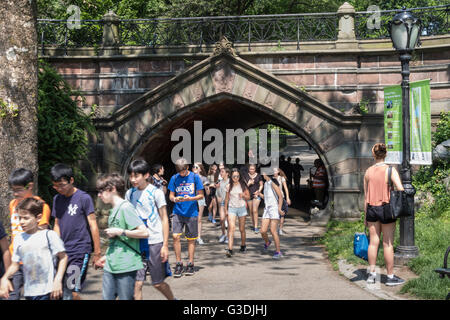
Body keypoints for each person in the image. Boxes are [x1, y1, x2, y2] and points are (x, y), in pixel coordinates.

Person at [50, 163, 102, 300]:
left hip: (80, 250)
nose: (59, 189)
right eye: (55, 186)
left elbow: (93, 225)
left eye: (62, 185)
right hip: (62, 252)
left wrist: (97, 253)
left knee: (71, 287)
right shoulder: (57, 199)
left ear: (71, 180)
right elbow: (57, 224)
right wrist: (55, 247)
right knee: (61, 290)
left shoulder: (83, 198)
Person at [95, 173, 150, 300]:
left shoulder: (126, 207)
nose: (99, 195)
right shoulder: (113, 209)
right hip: (111, 264)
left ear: (112, 189)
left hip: (126, 264)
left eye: (101, 191)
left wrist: (121, 231)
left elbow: (144, 232)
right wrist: (106, 256)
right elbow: (116, 241)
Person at [126, 160, 176, 300]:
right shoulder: (129, 194)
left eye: (136, 176)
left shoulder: (156, 193)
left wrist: (165, 245)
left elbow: (164, 218)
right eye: (131, 176)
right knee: (137, 283)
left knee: (158, 283)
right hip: (137, 243)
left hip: (155, 242)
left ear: (146, 175)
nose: (133, 180)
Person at [0, 198, 68, 300]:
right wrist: (5, 278)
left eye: (26, 218)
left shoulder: (49, 236)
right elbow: (15, 264)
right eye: (19, 218)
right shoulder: (19, 239)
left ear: (38, 218)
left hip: (49, 291)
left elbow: (63, 258)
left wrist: (58, 280)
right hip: (30, 292)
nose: (21, 222)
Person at [364, 143, 405, 286]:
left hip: (371, 209)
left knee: (373, 243)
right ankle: (390, 277)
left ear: (373, 154)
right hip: (386, 208)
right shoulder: (390, 170)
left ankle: (372, 275)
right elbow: (400, 189)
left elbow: (366, 196)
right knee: (388, 244)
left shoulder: (368, 171)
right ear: (386, 154)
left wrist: (365, 217)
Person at [7, 168, 51, 300]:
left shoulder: (41, 206)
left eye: (18, 190)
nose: (15, 194)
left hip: (34, 261)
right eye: (13, 190)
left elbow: (41, 234)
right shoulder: (12, 205)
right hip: (15, 260)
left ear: (30, 186)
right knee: (11, 296)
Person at [168, 158, 204, 278]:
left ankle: (190, 263)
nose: (181, 174)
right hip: (177, 211)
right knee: (175, 236)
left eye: (183, 172)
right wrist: (175, 199)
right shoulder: (174, 178)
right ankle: (178, 263)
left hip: (191, 212)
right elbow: (171, 196)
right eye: (179, 172)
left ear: (187, 168)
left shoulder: (195, 177)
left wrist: (190, 198)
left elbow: (201, 195)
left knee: (191, 239)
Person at [258, 170, 284, 259]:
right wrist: (259, 194)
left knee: (273, 231)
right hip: (267, 208)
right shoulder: (266, 184)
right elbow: (267, 197)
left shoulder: (272, 183)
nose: (262, 174)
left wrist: (279, 209)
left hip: (274, 208)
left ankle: (278, 251)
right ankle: (267, 242)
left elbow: (280, 196)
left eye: (264, 173)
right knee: (262, 231)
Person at [224, 169, 250, 257]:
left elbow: (248, 196)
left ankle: (243, 245)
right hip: (232, 208)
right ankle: (230, 249)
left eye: (237, 176)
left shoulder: (243, 185)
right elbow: (226, 198)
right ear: (231, 177)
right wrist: (225, 209)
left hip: (242, 208)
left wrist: (243, 195)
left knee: (242, 229)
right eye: (234, 176)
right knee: (231, 228)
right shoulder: (228, 186)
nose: (236, 178)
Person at [192, 163, 210, 245]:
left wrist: (207, 188)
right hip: (191, 199)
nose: (194, 168)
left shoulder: (204, 178)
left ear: (200, 169)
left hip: (200, 199)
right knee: (191, 219)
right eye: (193, 167)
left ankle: (198, 237)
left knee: (199, 219)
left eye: (196, 167)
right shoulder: (189, 177)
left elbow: (208, 193)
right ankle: (192, 236)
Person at [243, 164, 263, 233]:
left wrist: (258, 191)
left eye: (253, 169)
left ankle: (256, 226)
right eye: (250, 169)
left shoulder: (258, 176)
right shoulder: (246, 175)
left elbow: (261, 185)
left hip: (256, 195)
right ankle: (253, 224)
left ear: (255, 169)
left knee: (255, 210)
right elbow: (244, 187)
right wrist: (249, 183)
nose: (251, 170)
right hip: (249, 195)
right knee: (251, 211)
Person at [273, 168, 291, 235]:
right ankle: (275, 228)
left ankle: (280, 229)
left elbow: (285, 188)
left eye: (275, 171)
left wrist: (288, 197)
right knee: (275, 214)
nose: (274, 172)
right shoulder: (270, 179)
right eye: (273, 171)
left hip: (281, 197)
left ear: (278, 171)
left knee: (282, 213)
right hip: (274, 198)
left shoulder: (281, 178)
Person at [216, 167, 230, 243]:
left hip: (230, 203)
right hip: (222, 203)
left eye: (222, 172)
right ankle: (223, 234)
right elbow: (218, 194)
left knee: (228, 220)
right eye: (220, 172)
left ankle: (228, 236)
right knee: (222, 219)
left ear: (227, 173)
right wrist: (217, 188)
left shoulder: (230, 181)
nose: (221, 173)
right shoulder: (219, 182)